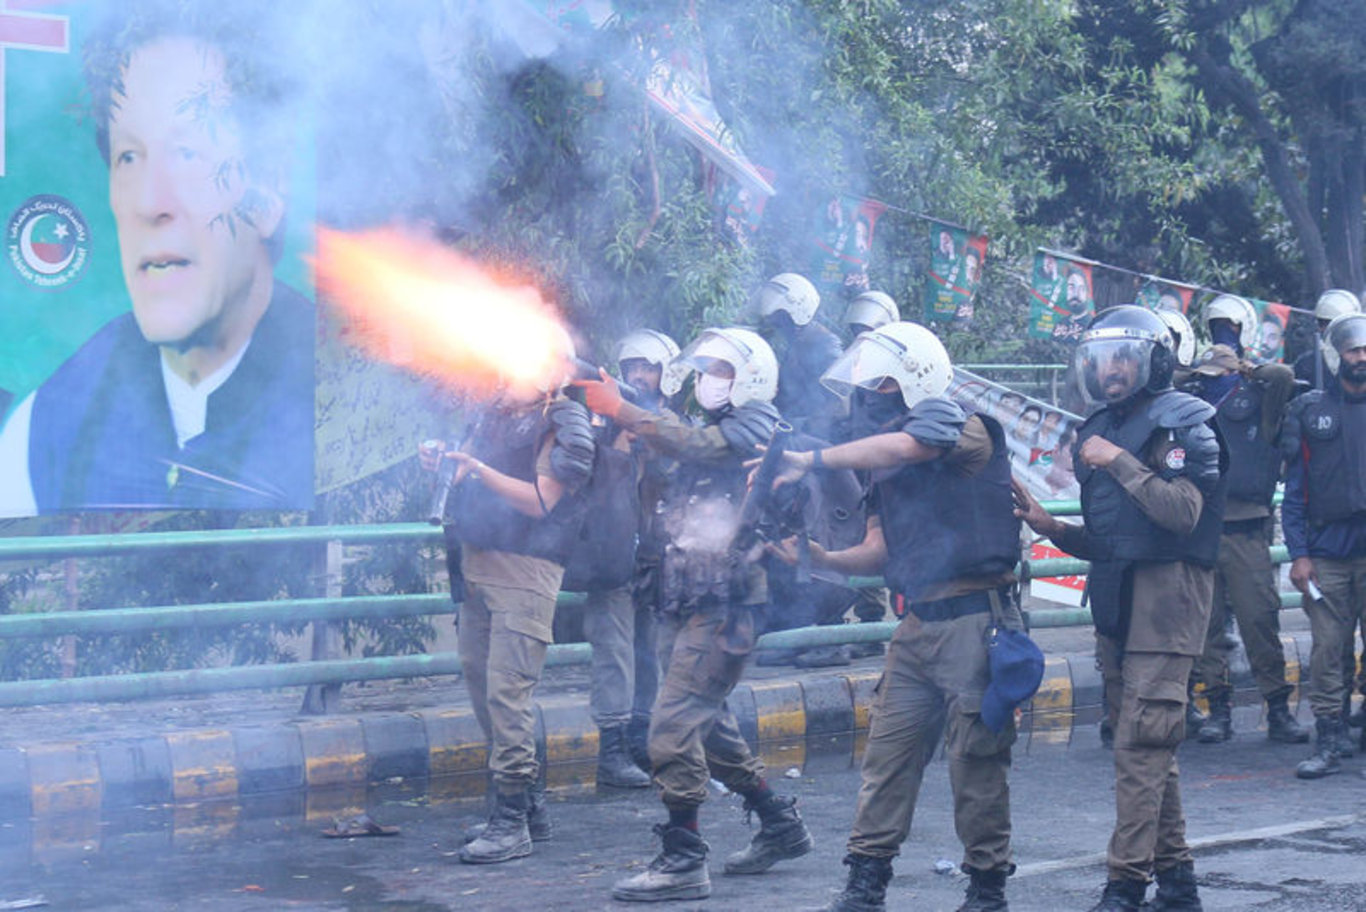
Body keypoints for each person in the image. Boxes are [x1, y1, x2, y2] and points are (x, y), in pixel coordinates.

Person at [0, 9, 313, 514]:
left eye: (187, 153)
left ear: (268, 191)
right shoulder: (46, 428)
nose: (150, 202)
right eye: (128, 157)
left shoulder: (338, 393)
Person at [764, 321, 1027, 912]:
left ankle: (987, 888)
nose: (866, 392)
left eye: (880, 379)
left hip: (973, 624)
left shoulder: (964, 428)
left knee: (975, 765)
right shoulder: (886, 461)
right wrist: (824, 558)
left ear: (915, 378)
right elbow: (880, 548)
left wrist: (812, 458)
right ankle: (865, 883)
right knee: (887, 759)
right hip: (915, 627)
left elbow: (912, 444)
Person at [575, 328, 812, 903]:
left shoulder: (758, 424)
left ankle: (683, 857)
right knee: (704, 724)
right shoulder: (699, 426)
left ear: (752, 376)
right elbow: (671, 458)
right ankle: (778, 823)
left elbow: (701, 448)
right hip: (682, 594)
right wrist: (622, 421)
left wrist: (626, 410)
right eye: (706, 368)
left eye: (722, 370)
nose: (708, 379)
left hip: (727, 603)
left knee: (672, 726)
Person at [1014, 305, 1226, 912]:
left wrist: (1120, 461)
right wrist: (1049, 524)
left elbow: (1182, 516)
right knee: (1148, 745)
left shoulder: (1187, 423)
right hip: (1116, 596)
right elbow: (1111, 542)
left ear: (1153, 361)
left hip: (1169, 600)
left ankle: (1125, 885)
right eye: (1102, 362)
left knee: (1140, 745)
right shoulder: (1097, 428)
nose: (1111, 372)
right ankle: (1178, 882)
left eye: (1124, 359)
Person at [424, 337, 595, 865]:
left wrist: (476, 469)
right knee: (482, 688)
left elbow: (542, 500)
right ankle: (528, 806)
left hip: (525, 570)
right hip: (476, 564)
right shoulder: (493, 412)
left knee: (507, 695)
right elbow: (470, 475)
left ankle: (512, 822)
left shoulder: (563, 420)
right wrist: (444, 463)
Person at [1182, 344, 1307, 745]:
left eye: (1219, 373)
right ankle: (1218, 708)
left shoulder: (1258, 402)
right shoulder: (1193, 403)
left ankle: (1278, 709)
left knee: (1259, 622)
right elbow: (1168, 380)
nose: (1214, 379)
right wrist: (1197, 375)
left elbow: (1283, 378)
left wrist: (1245, 369)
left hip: (1245, 530)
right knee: (1207, 627)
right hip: (1201, 530)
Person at [575, 329, 683, 789]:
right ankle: (613, 749)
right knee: (613, 652)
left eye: (649, 368)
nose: (640, 375)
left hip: (654, 556)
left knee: (649, 651)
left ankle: (642, 740)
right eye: (632, 368)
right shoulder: (598, 424)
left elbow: (681, 470)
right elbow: (589, 484)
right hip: (611, 554)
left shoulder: (672, 424)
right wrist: (617, 443)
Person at [1281, 312, 1366, 778]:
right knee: (1327, 650)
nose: (1362, 358)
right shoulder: (1311, 412)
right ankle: (1329, 738)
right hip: (1327, 552)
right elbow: (1296, 492)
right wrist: (1299, 554)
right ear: (1337, 355)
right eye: (1354, 349)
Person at [1293, 289, 1360, 390]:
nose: (1324, 329)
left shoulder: (1361, 361)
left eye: (1330, 323)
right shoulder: (1306, 363)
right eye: (1321, 323)